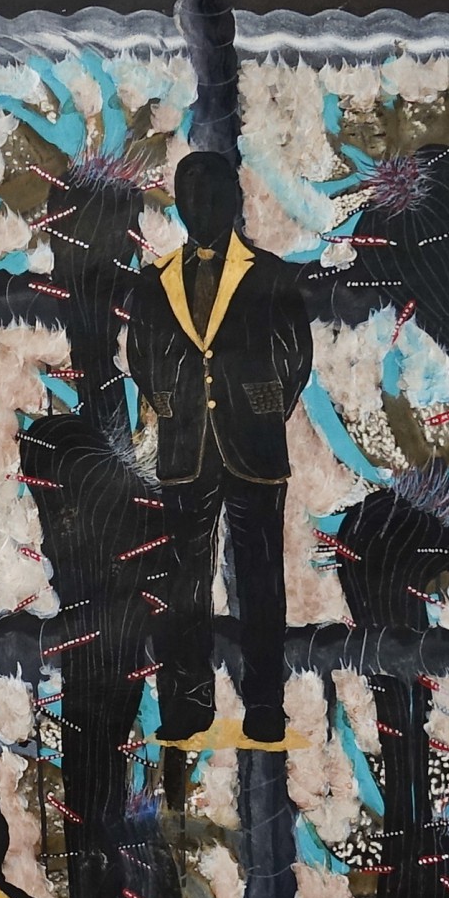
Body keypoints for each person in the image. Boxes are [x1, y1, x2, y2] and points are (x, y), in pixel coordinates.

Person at [127, 150, 313, 749]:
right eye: (189, 198)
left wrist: (266, 406)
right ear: (179, 207)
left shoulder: (272, 275)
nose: (201, 208)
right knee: (184, 584)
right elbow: (140, 355)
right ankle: (188, 704)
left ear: (235, 200)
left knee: (261, 580)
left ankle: (264, 705)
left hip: (254, 450)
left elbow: (297, 357)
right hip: (184, 453)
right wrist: (167, 402)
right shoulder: (155, 281)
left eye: (212, 196)